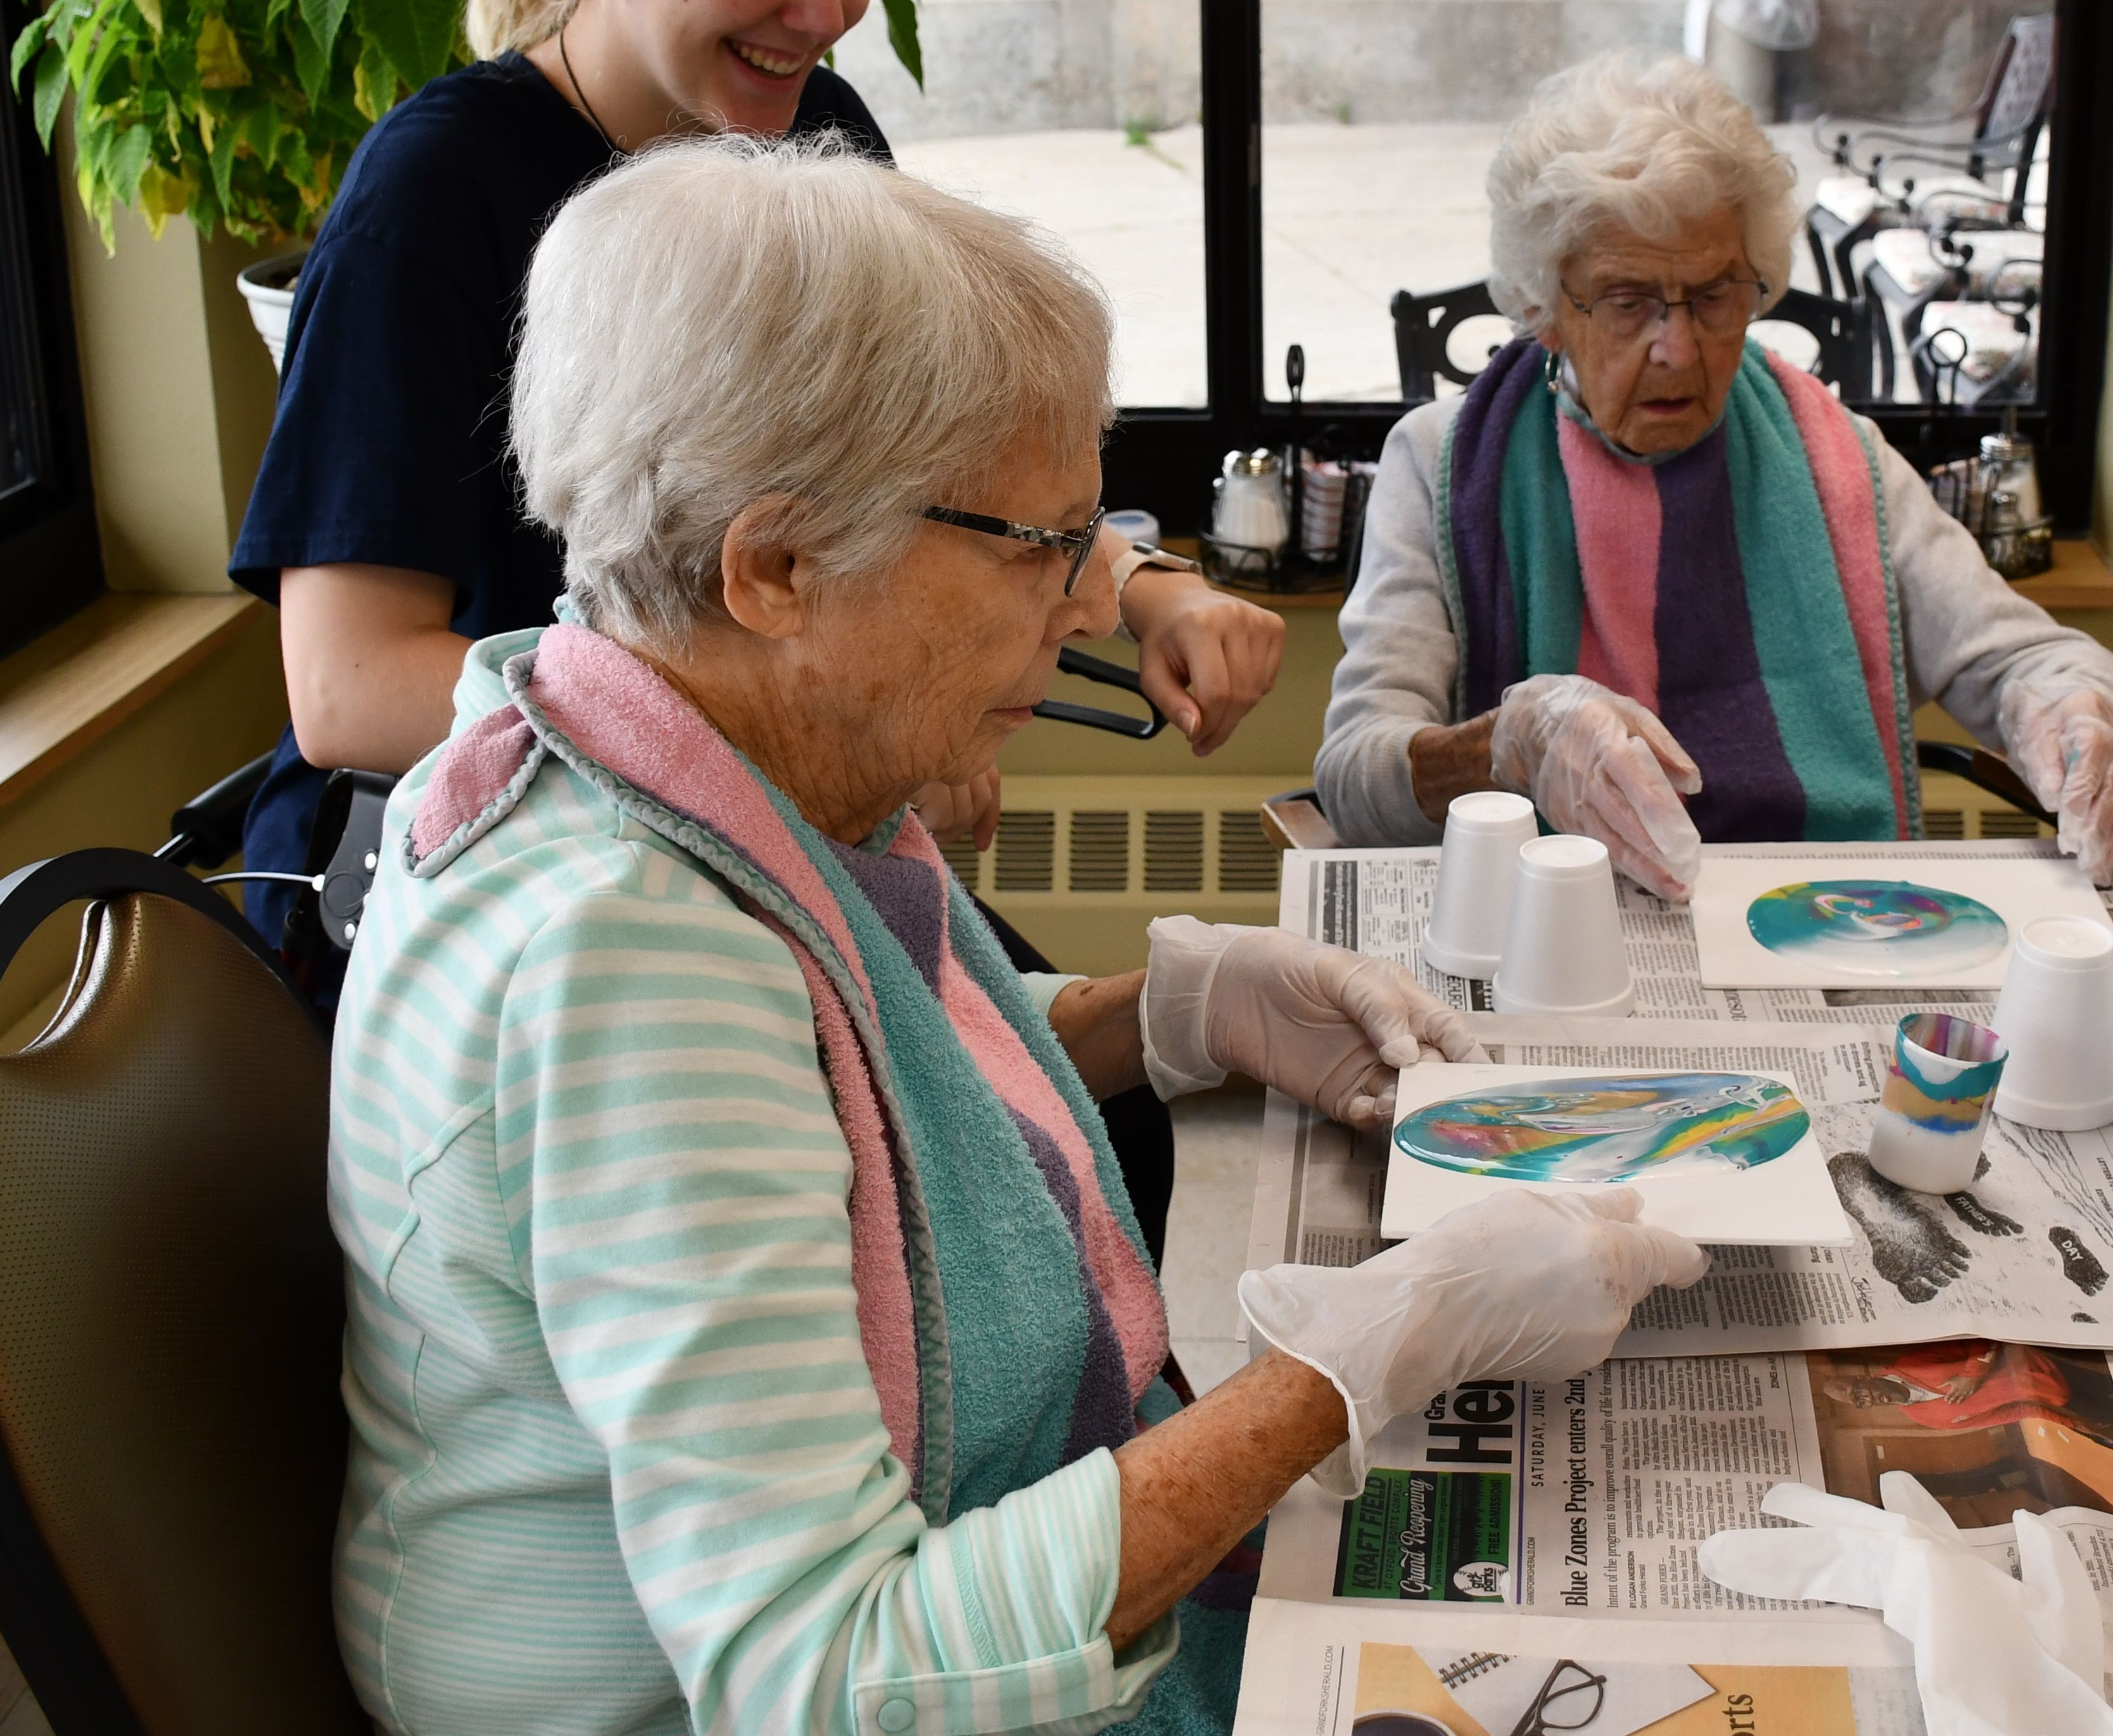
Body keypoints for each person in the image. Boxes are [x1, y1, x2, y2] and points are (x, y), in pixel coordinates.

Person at [329, 139, 1709, 1735]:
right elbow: (833, 1673)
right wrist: (1363, 1354)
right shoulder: (634, 960)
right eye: (1042, 544)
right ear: (778, 564)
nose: (1080, 607)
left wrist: (1176, 1010)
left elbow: (852, 1101)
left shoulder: (668, 723)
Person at [227, 0, 1281, 1233]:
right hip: (550, 878)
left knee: (1089, 1147)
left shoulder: (816, 132)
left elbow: (939, 462)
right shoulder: (432, 204)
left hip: (780, 834)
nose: (822, 4)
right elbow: (346, 689)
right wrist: (814, 749)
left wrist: (1133, 586)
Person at [1319, 53, 2113, 890]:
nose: (1677, 350)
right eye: (1627, 302)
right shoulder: (1437, 461)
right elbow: (1353, 777)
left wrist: (2076, 711)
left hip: (1816, 918)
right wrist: (1500, 747)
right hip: (1543, 924)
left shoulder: (1839, 462)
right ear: (1546, 308)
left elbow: (2028, 660)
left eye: (1714, 297)